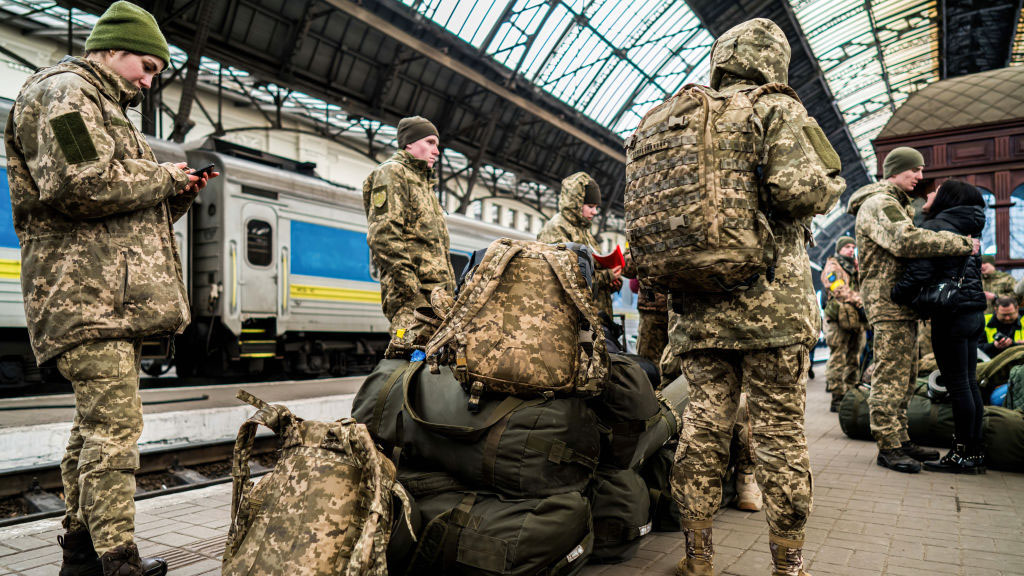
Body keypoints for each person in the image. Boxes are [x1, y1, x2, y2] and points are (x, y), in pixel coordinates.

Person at [4, 3, 213, 574]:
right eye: (145, 67)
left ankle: (79, 551)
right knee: (114, 432)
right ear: (111, 50)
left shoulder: (106, 108)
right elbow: (80, 184)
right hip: (85, 298)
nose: (149, 82)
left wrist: (179, 191)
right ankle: (116, 559)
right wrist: (165, 175)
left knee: (91, 432)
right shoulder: (65, 95)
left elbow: (129, 218)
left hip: (106, 299)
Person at [666, 19, 845, 576]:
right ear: (774, 60)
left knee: (702, 424)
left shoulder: (679, 114)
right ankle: (787, 563)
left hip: (698, 309)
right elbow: (796, 191)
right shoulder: (777, 108)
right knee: (779, 431)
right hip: (772, 308)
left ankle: (697, 555)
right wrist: (832, 185)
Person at [848, 146, 977, 474]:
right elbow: (905, 241)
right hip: (888, 303)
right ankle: (888, 446)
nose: (920, 177)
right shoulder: (880, 204)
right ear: (894, 170)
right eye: (914, 170)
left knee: (905, 376)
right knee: (890, 375)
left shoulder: (897, 204)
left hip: (902, 304)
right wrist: (961, 243)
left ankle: (901, 438)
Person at [891, 179, 987, 474]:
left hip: (951, 315)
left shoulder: (937, 226)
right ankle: (974, 451)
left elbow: (922, 268)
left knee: (958, 384)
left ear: (948, 198)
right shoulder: (970, 226)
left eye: (935, 191)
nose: (929, 193)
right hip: (973, 311)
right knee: (969, 382)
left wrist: (897, 292)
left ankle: (961, 455)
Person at [362, 115, 456, 358]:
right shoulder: (393, 173)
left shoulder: (423, 185)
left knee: (429, 368)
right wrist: (411, 287)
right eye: (430, 142)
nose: (436, 151)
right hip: (413, 301)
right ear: (409, 143)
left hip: (435, 300)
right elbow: (383, 235)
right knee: (405, 357)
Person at [537, 172, 622, 324]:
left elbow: (591, 273)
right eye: (590, 206)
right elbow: (566, 277)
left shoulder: (583, 231)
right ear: (576, 202)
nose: (595, 212)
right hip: (571, 320)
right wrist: (606, 276)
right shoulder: (556, 229)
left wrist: (611, 283)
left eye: (596, 207)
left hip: (591, 317)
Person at [821, 236, 865, 412]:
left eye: (853, 246)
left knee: (854, 357)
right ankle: (837, 396)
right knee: (838, 357)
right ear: (839, 249)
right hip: (838, 320)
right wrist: (860, 301)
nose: (851, 249)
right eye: (847, 246)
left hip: (855, 319)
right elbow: (838, 289)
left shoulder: (855, 267)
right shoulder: (833, 266)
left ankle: (851, 392)